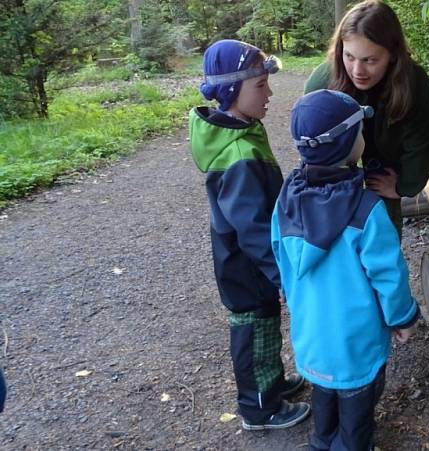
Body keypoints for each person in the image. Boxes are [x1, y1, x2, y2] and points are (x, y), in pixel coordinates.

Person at [271, 89, 419, 450]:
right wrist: (402, 318)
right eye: (360, 132)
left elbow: (279, 255)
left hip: (312, 336)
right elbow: (388, 274)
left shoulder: (287, 200)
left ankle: (323, 442)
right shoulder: (367, 210)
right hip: (357, 342)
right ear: (348, 145)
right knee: (357, 412)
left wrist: (291, 295)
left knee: (325, 394)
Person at [188, 39, 310, 431]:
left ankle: (271, 384)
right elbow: (254, 230)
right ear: (229, 92)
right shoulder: (239, 157)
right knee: (254, 333)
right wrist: (284, 275)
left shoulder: (242, 131)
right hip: (247, 266)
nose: (269, 92)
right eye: (260, 86)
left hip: (253, 264)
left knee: (266, 328)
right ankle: (259, 410)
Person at [304, 0, 429, 236]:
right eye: (349, 57)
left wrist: (402, 186)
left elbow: (424, 144)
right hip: (335, 164)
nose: (357, 70)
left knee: (383, 231)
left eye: (370, 60)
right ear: (340, 50)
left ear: (392, 55)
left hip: (385, 162)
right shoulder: (322, 82)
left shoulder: (413, 83)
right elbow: (311, 145)